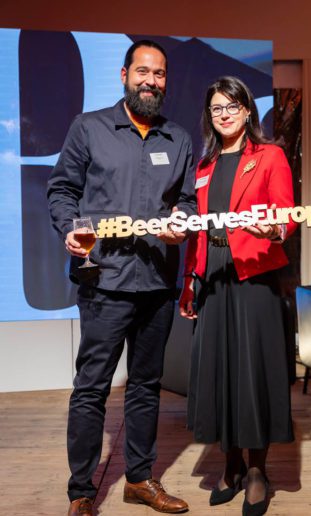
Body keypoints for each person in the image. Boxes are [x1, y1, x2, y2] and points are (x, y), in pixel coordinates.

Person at [48, 40, 196, 516]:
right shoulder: (88, 127)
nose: (151, 81)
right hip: (103, 281)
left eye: (159, 74)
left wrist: (182, 221)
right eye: (143, 71)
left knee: (146, 385)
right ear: (124, 75)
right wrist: (70, 228)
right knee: (92, 388)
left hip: (157, 282)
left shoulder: (179, 139)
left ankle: (139, 479)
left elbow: (187, 201)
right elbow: (62, 189)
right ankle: (81, 492)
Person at [179, 76, 296, 516]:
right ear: (209, 116)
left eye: (232, 106)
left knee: (254, 373)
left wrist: (276, 228)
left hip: (255, 275)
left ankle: (257, 471)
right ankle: (230, 465)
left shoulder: (270, 155)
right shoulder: (204, 166)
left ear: (247, 111)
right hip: (213, 276)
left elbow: (287, 213)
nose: (224, 114)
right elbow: (197, 231)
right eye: (216, 108)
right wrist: (190, 281)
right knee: (220, 372)